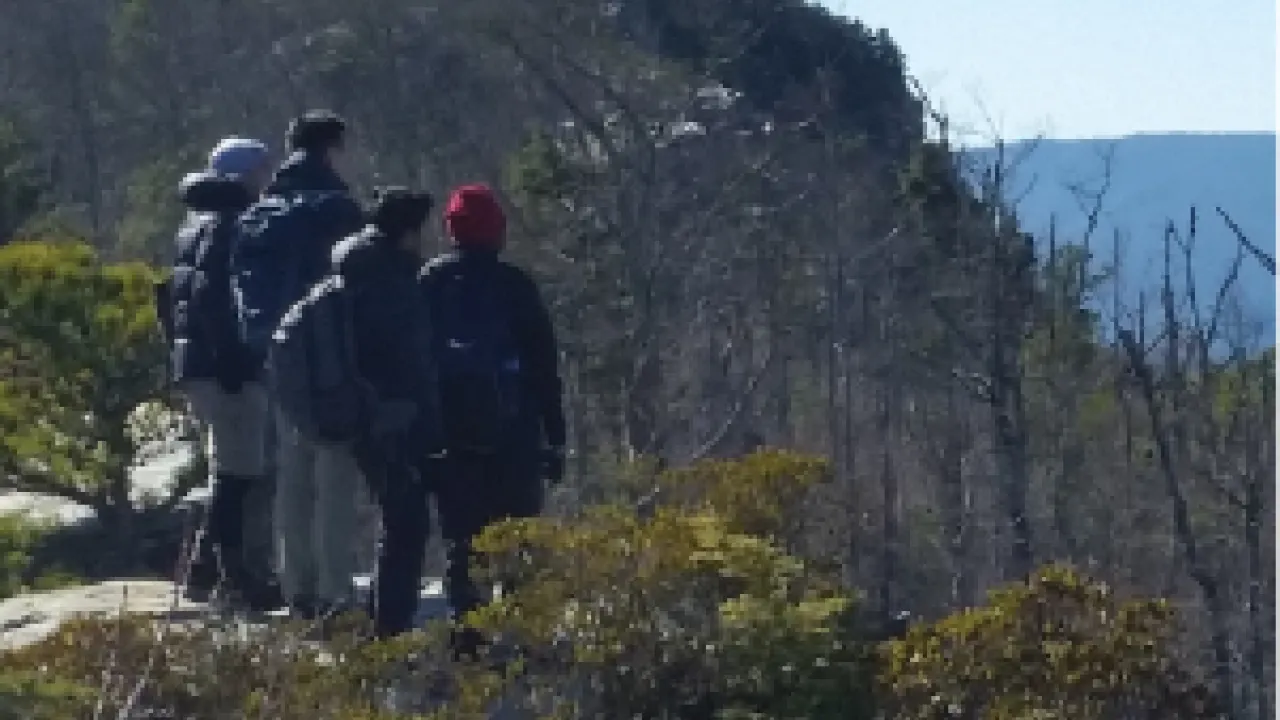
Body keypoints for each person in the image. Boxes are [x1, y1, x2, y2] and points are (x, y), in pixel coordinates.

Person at [417, 183, 567, 654]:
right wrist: (555, 436)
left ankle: (468, 636)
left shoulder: (430, 283)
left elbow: (413, 362)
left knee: (461, 539)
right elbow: (544, 365)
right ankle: (524, 635)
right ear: (497, 233)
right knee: (519, 536)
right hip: (514, 432)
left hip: (450, 435)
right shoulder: (515, 285)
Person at [231, 110, 365, 618]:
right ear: (331, 148)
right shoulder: (336, 209)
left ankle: (296, 585)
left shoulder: (261, 210)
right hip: (329, 357)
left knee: (292, 469)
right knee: (334, 469)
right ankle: (335, 591)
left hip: (276, 355)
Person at [167, 137, 282, 610]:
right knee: (242, 475)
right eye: (261, 167)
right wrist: (236, 360)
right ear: (244, 174)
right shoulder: (231, 224)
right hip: (225, 371)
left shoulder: (195, 224)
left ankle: (208, 571)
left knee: (228, 471)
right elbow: (215, 299)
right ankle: (233, 579)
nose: (268, 175)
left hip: (199, 367)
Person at [329, 187, 442, 638]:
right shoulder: (394, 283)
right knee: (408, 523)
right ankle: (390, 629)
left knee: (396, 518)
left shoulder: (353, 268)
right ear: (409, 232)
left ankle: (383, 619)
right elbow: (411, 362)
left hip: (362, 415)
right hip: (394, 418)